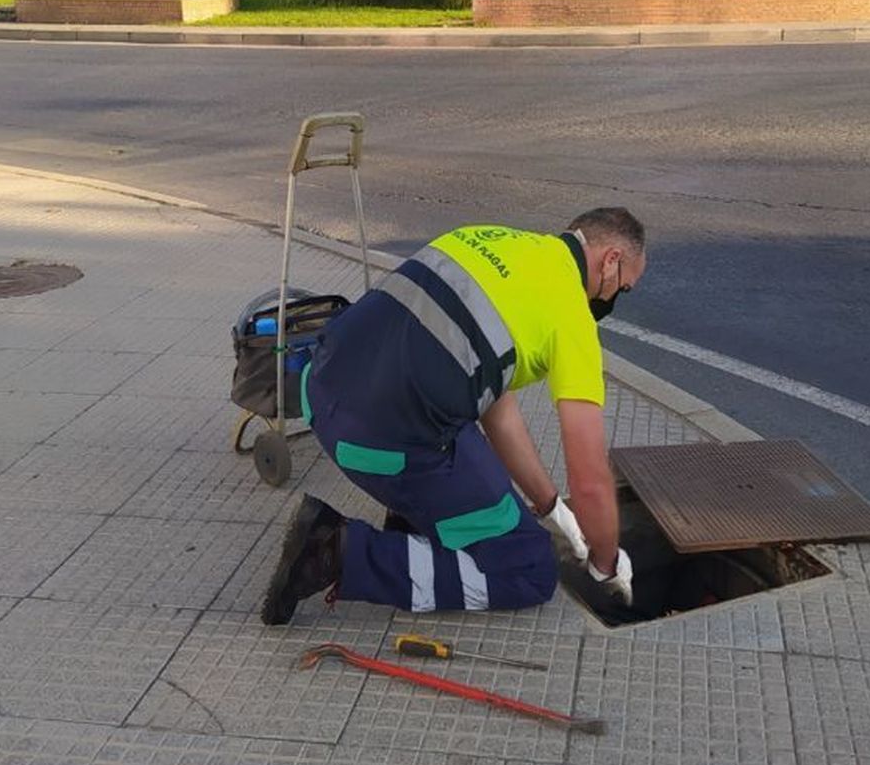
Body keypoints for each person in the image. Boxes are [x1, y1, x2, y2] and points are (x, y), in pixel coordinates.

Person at [260, 208, 648, 624]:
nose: (613, 299)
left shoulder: (487, 238)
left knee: (463, 436)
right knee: (529, 567)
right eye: (622, 288)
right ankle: (338, 551)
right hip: (376, 443)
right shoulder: (571, 317)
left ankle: (413, 517)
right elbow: (590, 479)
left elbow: (497, 413)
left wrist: (550, 506)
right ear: (610, 260)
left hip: (319, 395)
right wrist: (605, 564)